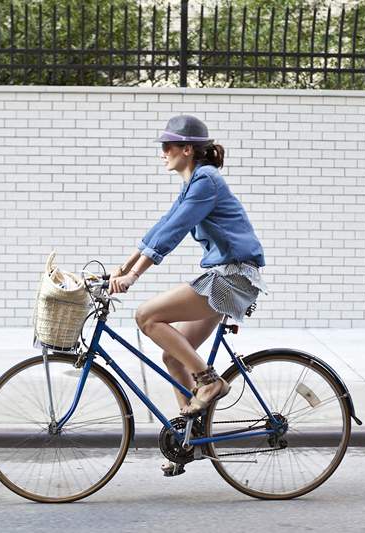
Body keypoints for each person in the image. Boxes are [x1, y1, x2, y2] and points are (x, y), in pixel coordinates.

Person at [108, 115, 268, 473]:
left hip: (232, 276)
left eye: (168, 146)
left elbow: (175, 231)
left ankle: (210, 382)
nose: (163, 152)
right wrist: (123, 265)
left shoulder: (207, 181)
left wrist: (134, 276)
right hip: (224, 275)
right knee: (173, 356)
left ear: (187, 149)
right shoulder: (193, 182)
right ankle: (188, 440)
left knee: (146, 316)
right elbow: (163, 224)